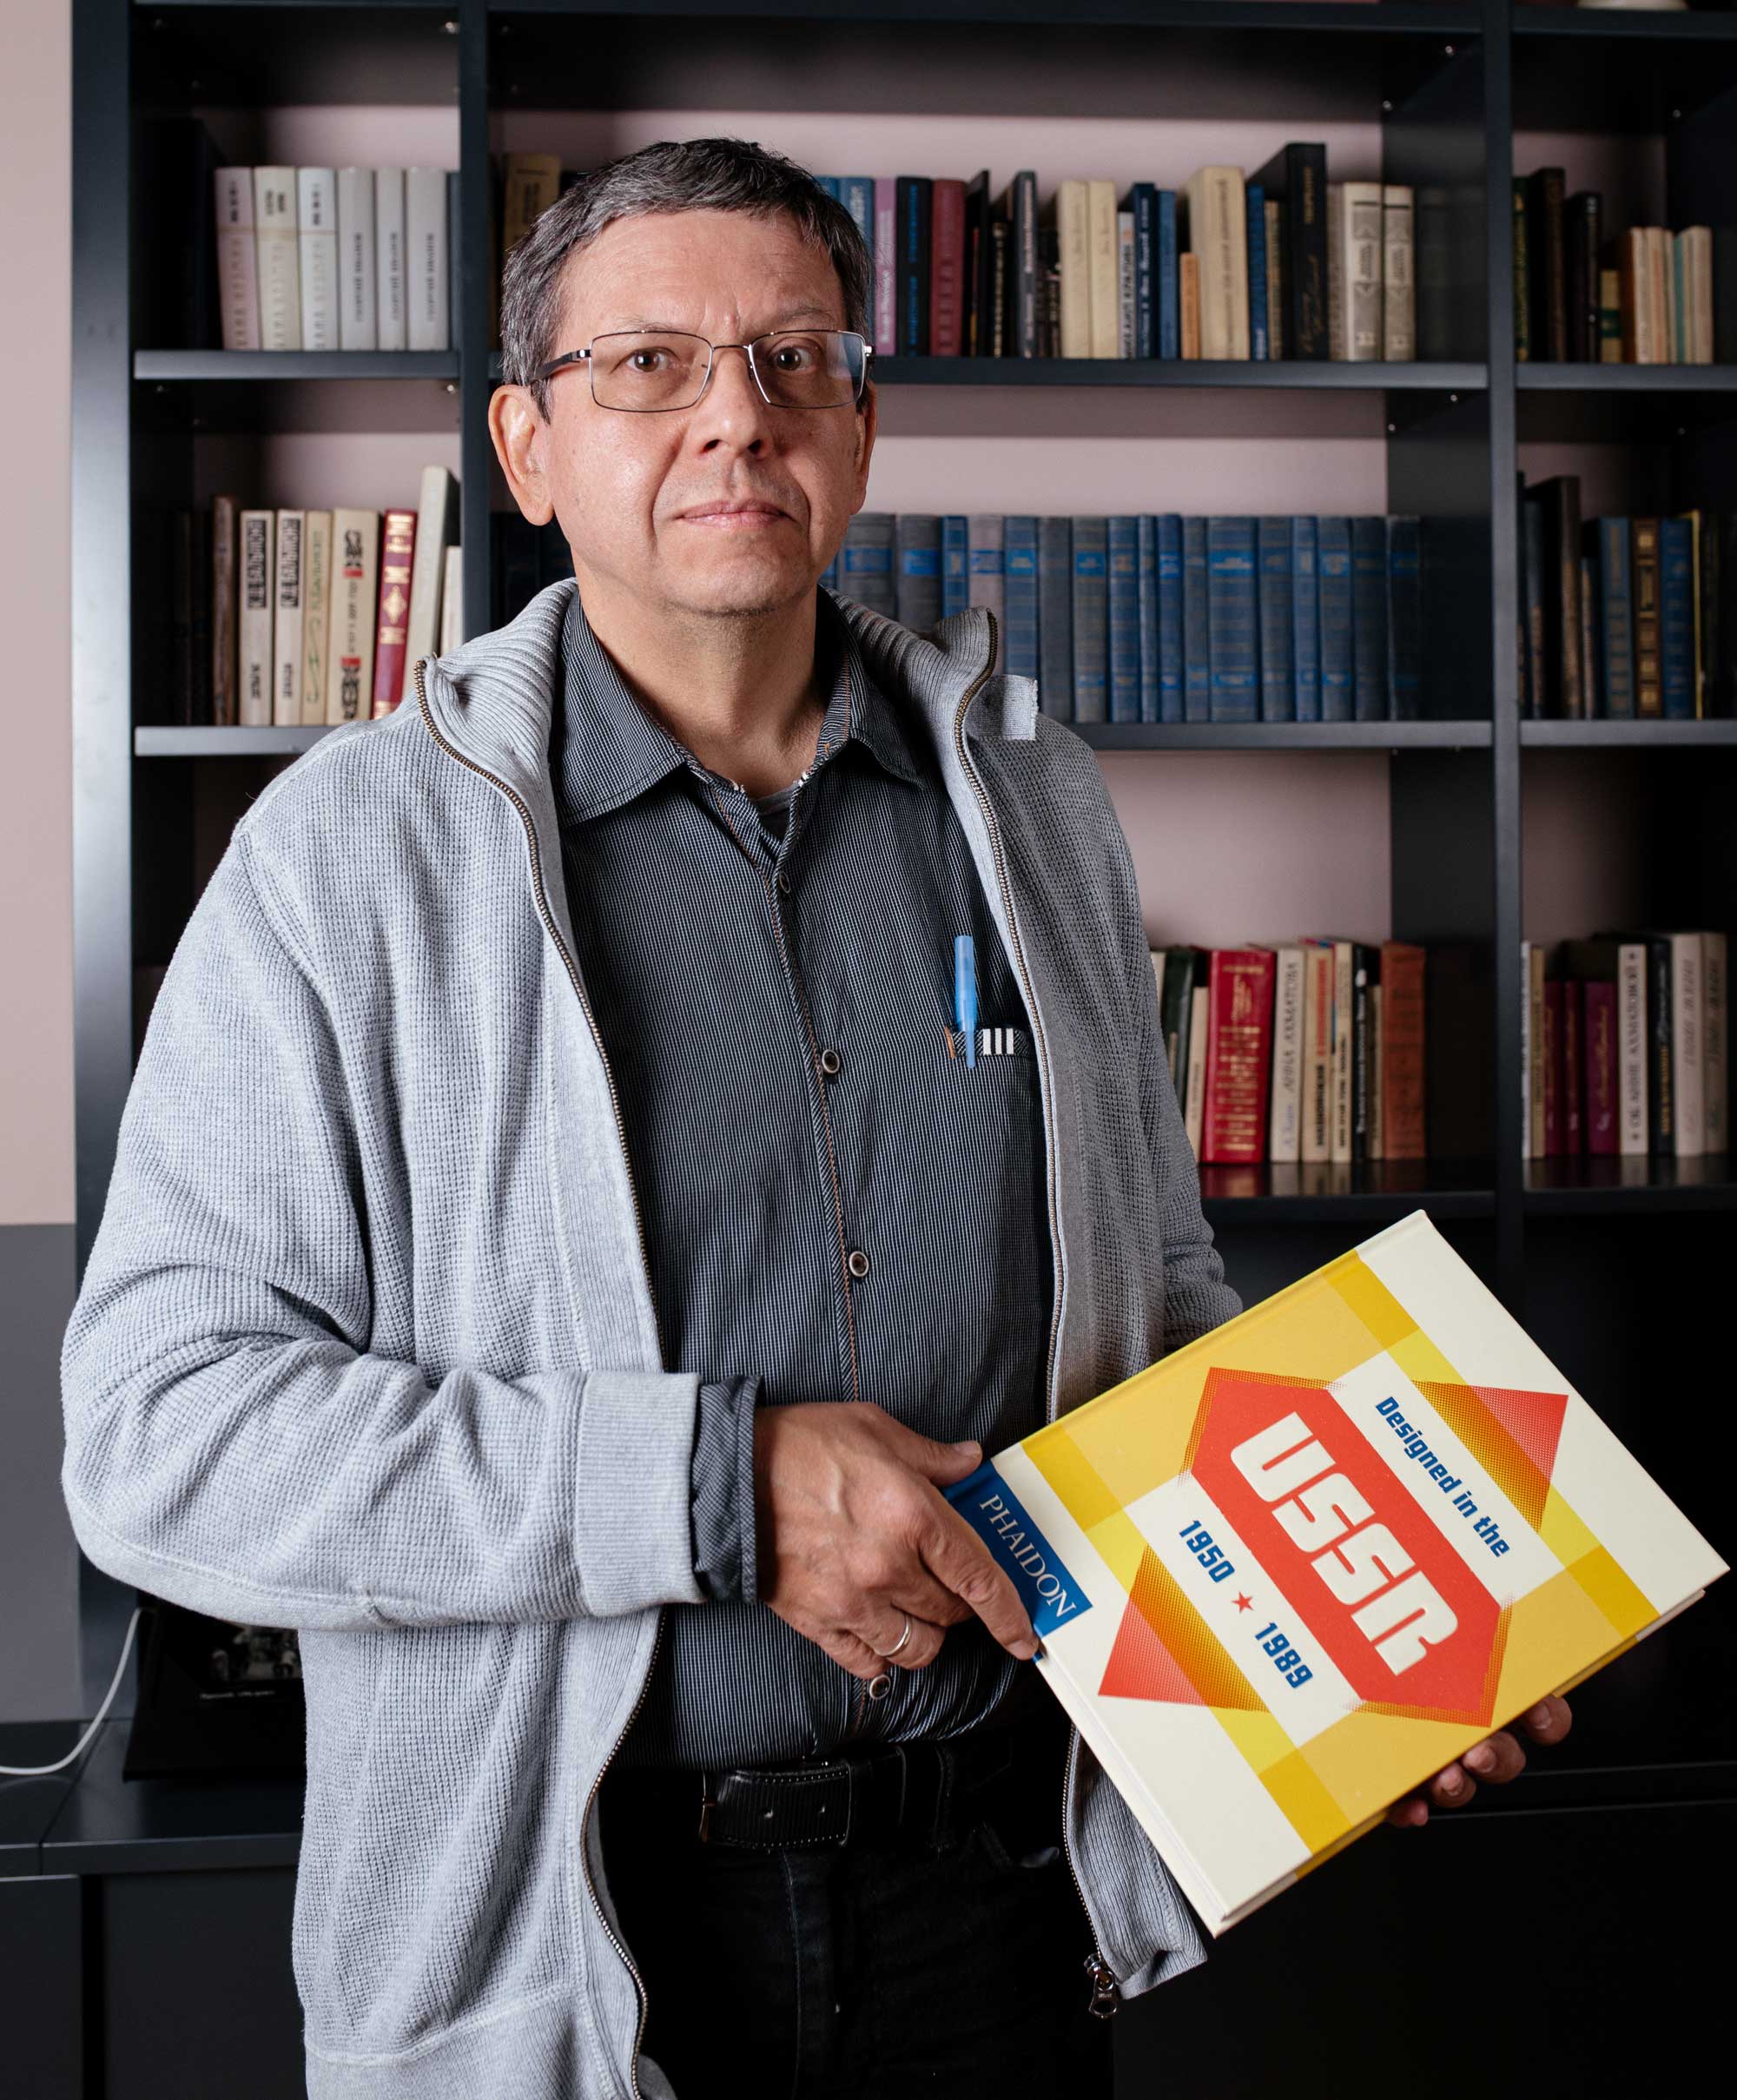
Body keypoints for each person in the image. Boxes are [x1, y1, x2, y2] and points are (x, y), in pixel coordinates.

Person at [61, 135, 1570, 2100]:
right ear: (526, 448)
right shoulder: (340, 865)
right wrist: (708, 1493)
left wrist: (1365, 1632)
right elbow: (163, 1441)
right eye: (647, 367)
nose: (733, 420)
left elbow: (1154, 1296)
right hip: (582, 1948)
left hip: (1006, 1902)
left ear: (863, 420)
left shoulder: (1035, 813)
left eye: (795, 358)